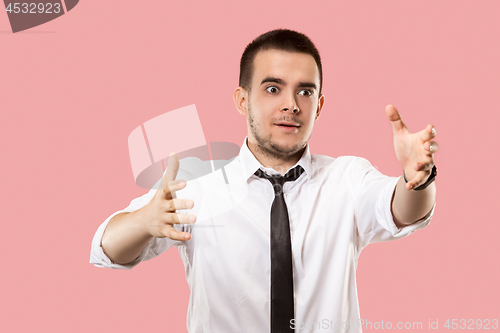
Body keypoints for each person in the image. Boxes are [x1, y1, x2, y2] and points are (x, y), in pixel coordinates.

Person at [90, 29, 437, 333]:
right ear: (243, 100)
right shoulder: (197, 187)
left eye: (305, 92)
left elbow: (401, 210)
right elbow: (107, 249)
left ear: (319, 105)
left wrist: (417, 178)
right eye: (273, 88)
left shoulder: (346, 179)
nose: (291, 105)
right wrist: (145, 222)